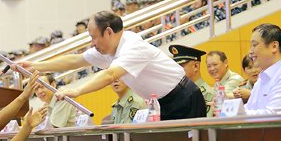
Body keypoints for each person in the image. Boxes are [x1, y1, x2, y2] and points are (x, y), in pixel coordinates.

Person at [18, 11, 207, 120]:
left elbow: (110, 75)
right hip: (161, 102)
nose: (92, 43)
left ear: (108, 32)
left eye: (93, 37)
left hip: (184, 97)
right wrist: (36, 65)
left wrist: (77, 91)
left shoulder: (132, 46)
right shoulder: (106, 50)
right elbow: (76, 60)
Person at [246, 23, 281, 114]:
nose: (250, 52)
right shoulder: (262, 78)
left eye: (254, 45)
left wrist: (236, 113)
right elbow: (250, 107)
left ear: (274, 46)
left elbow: (273, 116)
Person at [169, 45, 214, 117]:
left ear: (196, 66)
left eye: (181, 66)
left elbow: (204, 122)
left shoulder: (207, 94)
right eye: (175, 66)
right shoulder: (178, 93)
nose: (177, 70)